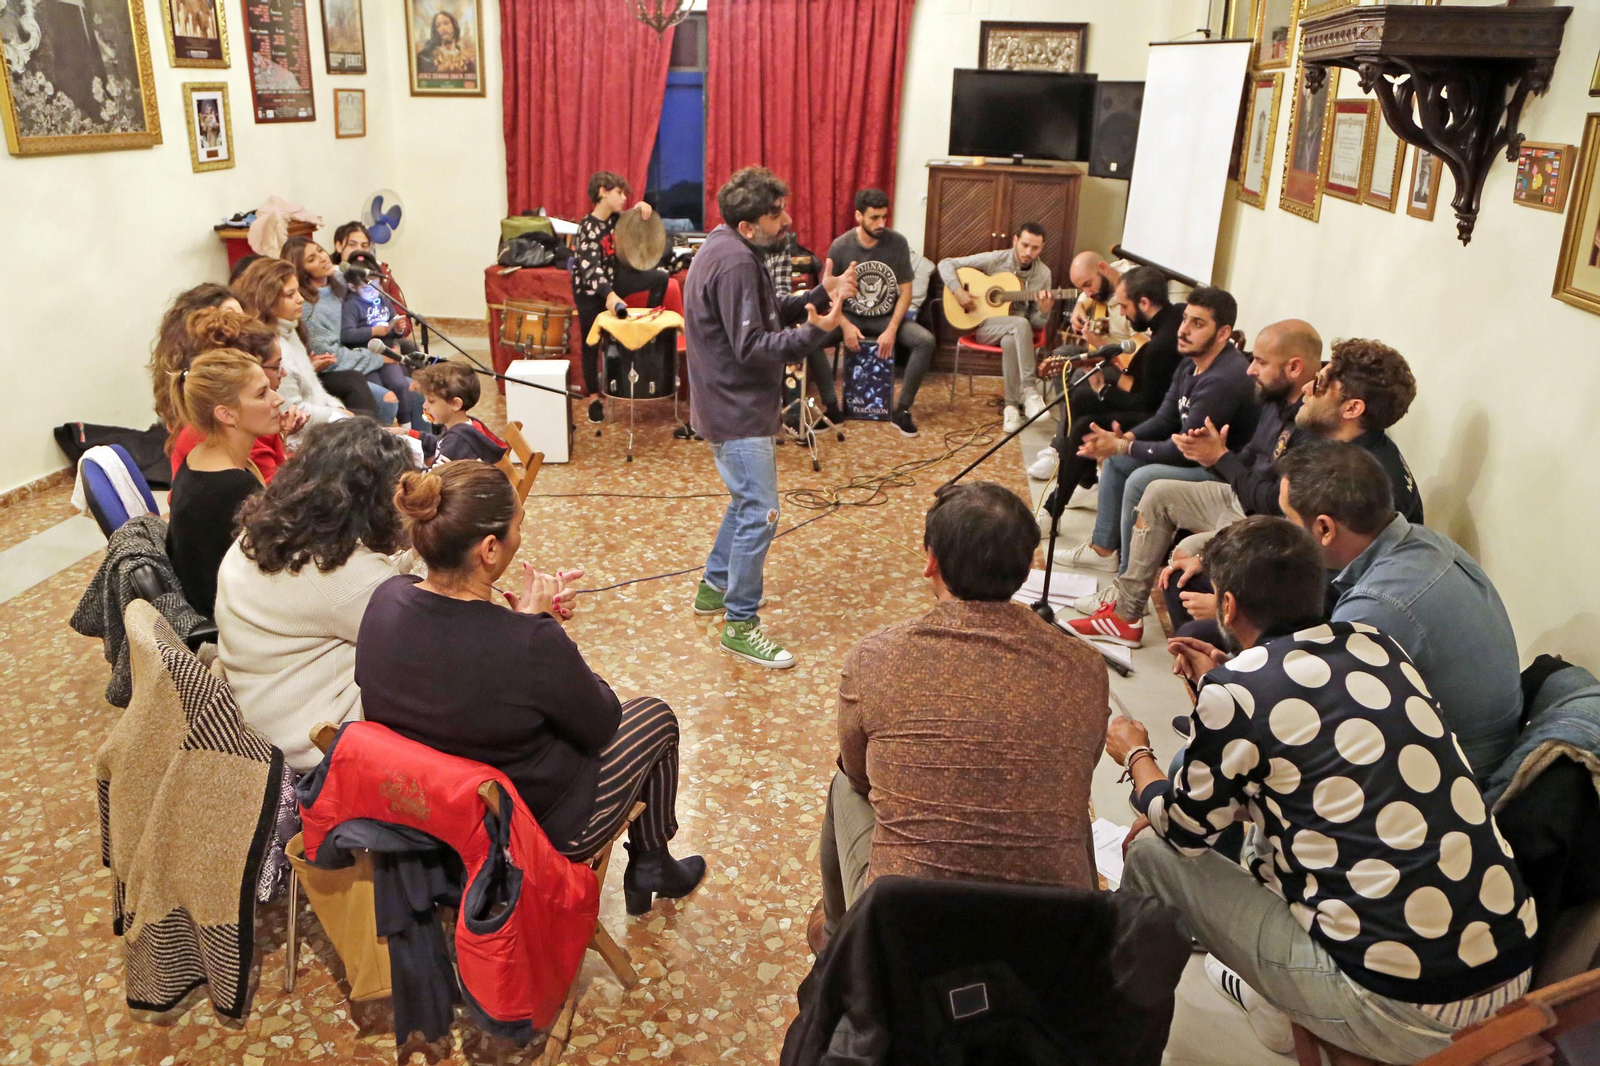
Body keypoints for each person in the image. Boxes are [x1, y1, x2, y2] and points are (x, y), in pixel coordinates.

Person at [1109, 516, 1536, 1062]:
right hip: (1510, 971)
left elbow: (1182, 829)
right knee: (1272, 815)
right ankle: (1279, 996)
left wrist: (1136, 754)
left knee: (1149, 850)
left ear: (1229, 607)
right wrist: (1227, 684)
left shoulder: (1237, 692)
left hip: (1404, 1009)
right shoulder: (1377, 644)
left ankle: (1115, 1033)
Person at [356, 463, 705, 914]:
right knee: (656, 716)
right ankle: (652, 861)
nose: (521, 534)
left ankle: (652, 862)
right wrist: (544, 630)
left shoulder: (385, 599)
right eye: (518, 525)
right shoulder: (527, 644)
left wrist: (529, 631)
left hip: (424, 816)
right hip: (526, 828)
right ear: (488, 549)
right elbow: (602, 723)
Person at [809, 481, 1107, 953]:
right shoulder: (1087, 666)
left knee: (842, 784)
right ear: (1029, 565)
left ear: (931, 561)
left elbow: (861, 777)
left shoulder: (874, 658)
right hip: (1051, 937)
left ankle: (835, 948)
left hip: (907, 935)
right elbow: (1080, 773)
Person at [683, 166, 855, 668]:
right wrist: (815, 332)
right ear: (748, 225)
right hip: (736, 410)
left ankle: (714, 588)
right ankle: (741, 624)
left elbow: (763, 309)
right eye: (776, 214)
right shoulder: (737, 262)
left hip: (726, 403)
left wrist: (819, 294)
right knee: (762, 511)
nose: (788, 220)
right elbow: (752, 344)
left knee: (745, 500)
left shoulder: (726, 246)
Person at [1067, 320, 1321, 646]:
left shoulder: (1310, 422)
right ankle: (1125, 616)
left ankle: (1207, 655)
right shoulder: (1274, 399)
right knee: (1157, 492)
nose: (1250, 370)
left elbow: (1275, 503)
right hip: (1238, 495)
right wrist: (1214, 454)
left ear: (1294, 367)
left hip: (1262, 520)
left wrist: (1221, 459)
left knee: (1183, 554)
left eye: (1260, 361)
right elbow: (1252, 459)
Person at [1158, 337, 1426, 645]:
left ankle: (1237, 683)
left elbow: (1331, 594)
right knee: (1185, 577)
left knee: (1193, 616)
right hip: (1313, 585)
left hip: (1335, 621)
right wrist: (1215, 560)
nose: (1307, 390)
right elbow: (1289, 529)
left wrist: (1234, 606)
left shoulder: (1362, 479)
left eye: (1321, 385)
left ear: (1353, 408)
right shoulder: (1341, 449)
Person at [1277, 441, 1521, 779]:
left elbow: (1325, 723)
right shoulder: (1431, 542)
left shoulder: (1376, 607)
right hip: (1491, 749)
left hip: (1460, 777)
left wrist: (1241, 685)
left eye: (1288, 519)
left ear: (1324, 528)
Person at [217, 419, 417, 772]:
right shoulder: (342, 574)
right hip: (312, 740)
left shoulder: (268, 529)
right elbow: (431, 633)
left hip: (263, 706)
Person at [1057, 285, 1258, 573]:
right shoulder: (1191, 362)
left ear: (1223, 333)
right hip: (1196, 458)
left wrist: (1121, 445)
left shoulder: (1222, 380)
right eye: (1185, 318)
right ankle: (1102, 550)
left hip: (1221, 471)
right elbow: (1164, 419)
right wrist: (1126, 438)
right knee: (1117, 462)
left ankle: (1128, 578)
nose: (1183, 330)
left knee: (1141, 478)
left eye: (1197, 323)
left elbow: (1184, 452)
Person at [1030, 265, 1184, 484]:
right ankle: (1068, 455)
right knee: (1066, 360)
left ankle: (1069, 460)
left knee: (1080, 393)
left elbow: (1145, 401)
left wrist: (1102, 387)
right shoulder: (1175, 310)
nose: (1121, 311)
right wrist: (1080, 307)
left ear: (1144, 303)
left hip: (1143, 390)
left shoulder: (1157, 344)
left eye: (1124, 306)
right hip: (1131, 368)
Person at [812, 188, 938, 438]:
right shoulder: (841, 246)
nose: (881, 223)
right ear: (859, 216)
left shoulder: (897, 243)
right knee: (810, 339)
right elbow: (831, 293)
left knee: (925, 341)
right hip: (849, 316)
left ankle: (901, 411)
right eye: (874, 218)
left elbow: (906, 291)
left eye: (884, 217)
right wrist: (845, 325)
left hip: (885, 318)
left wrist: (891, 329)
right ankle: (832, 408)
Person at [165, 349, 283, 615]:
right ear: (226, 414)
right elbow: (273, 573)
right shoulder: (233, 488)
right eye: (262, 394)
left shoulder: (200, 456)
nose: (278, 399)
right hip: (230, 626)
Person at [168, 307, 308, 483]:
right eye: (261, 393)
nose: (279, 399)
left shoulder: (243, 425)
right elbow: (274, 496)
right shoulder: (232, 459)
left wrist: (284, 434)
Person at [937, 223, 1054, 432]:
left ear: (1042, 247)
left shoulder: (1043, 274)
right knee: (1021, 324)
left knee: (1015, 334)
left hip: (1018, 333)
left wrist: (1044, 311)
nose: (1028, 252)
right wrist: (958, 291)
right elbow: (945, 264)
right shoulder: (996, 259)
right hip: (985, 328)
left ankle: (1010, 406)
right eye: (1025, 245)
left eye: (1035, 248)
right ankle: (1029, 391)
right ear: (1015, 241)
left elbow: (1036, 324)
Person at [572, 171, 668, 425]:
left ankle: (648, 330)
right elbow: (590, 269)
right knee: (591, 343)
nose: (624, 197)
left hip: (615, 281)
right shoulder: (587, 227)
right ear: (602, 192)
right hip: (590, 292)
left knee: (659, 278)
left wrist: (643, 208)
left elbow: (636, 221)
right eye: (619, 192)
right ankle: (594, 398)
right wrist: (610, 296)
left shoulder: (617, 220)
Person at [235, 258, 356, 444]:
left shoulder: (289, 331)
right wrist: (339, 415)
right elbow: (292, 410)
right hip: (303, 439)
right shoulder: (272, 347)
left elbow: (316, 390)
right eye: (290, 295)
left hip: (324, 422)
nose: (300, 299)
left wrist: (339, 410)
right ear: (268, 301)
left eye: (298, 291)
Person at [282, 236, 400, 425]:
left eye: (320, 250)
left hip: (360, 347)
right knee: (386, 399)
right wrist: (378, 357)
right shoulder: (307, 307)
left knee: (409, 358)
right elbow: (332, 356)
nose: (322, 258)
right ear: (301, 271)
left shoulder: (340, 279)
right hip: (338, 367)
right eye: (311, 259)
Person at [340, 250, 425, 428]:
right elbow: (347, 334)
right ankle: (383, 429)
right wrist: (372, 332)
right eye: (366, 288)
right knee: (379, 390)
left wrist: (397, 330)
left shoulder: (384, 301)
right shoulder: (352, 305)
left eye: (375, 286)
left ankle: (406, 424)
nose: (372, 292)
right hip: (366, 357)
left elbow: (393, 329)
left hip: (388, 354)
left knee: (400, 384)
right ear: (352, 287)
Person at [408, 361, 507, 465]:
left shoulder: (457, 440)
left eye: (431, 401)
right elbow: (439, 442)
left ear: (455, 404)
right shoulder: (462, 427)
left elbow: (434, 478)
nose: (424, 406)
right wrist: (410, 434)